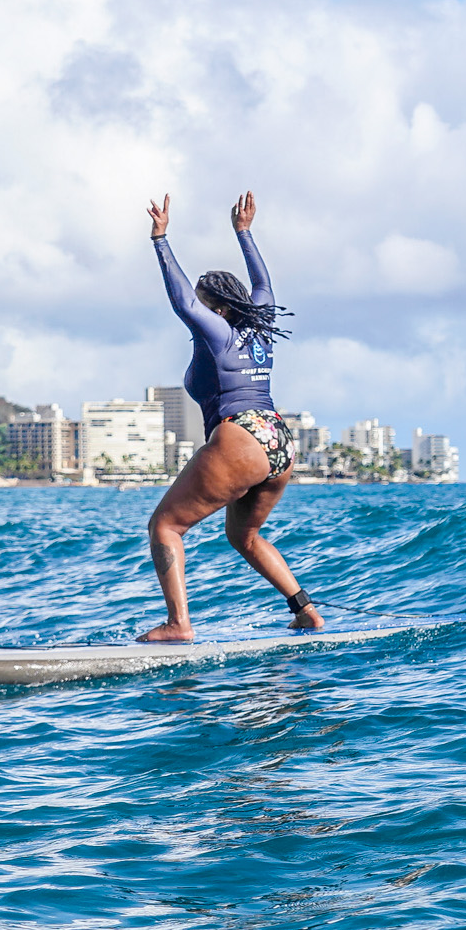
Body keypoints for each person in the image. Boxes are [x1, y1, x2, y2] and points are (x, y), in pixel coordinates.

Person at [138, 191, 322, 642]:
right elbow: (264, 285)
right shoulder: (259, 328)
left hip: (240, 436)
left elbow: (184, 302)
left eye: (205, 308)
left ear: (218, 310)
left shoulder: (218, 333)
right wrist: (245, 233)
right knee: (244, 536)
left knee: (165, 525)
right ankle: (306, 613)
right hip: (279, 438)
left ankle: (179, 624)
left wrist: (161, 241)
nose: (197, 315)